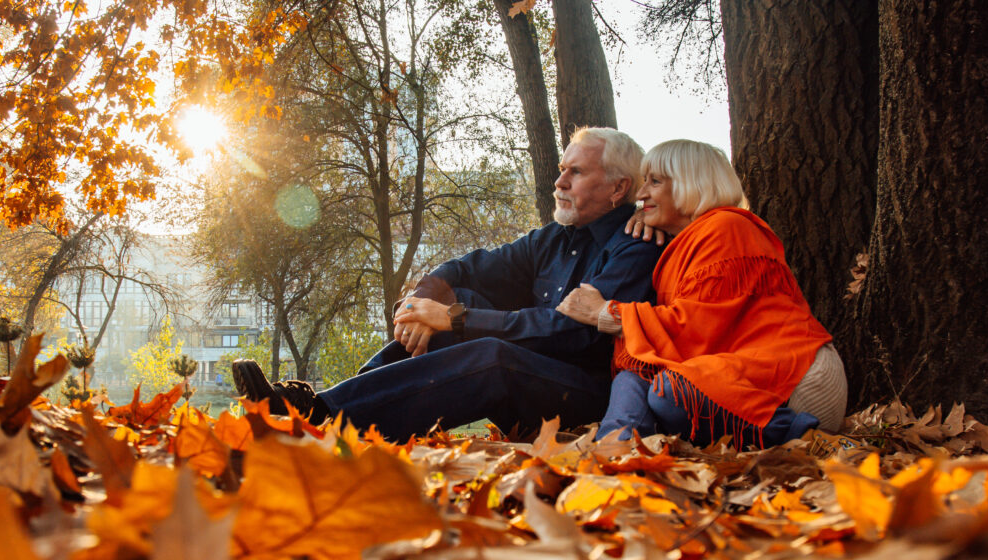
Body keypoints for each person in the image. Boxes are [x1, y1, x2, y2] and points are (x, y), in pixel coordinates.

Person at [232, 127, 664, 442]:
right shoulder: (551, 239)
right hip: (528, 375)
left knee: (487, 348)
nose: (559, 182)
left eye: (576, 172)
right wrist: (424, 303)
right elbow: (469, 268)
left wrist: (455, 320)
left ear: (618, 187)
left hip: (585, 393)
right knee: (461, 300)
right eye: (561, 169)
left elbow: (573, 335)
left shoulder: (636, 246)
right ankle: (325, 409)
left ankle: (320, 419)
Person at [557, 139, 847, 449]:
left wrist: (606, 313)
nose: (641, 195)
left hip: (791, 381)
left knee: (668, 390)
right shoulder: (689, 239)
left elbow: (698, 327)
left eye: (654, 182)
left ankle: (809, 438)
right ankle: (617, 453)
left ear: (690, 183)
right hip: (724, 372)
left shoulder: (727, 228)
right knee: (633, 376)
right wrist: (646, 218)